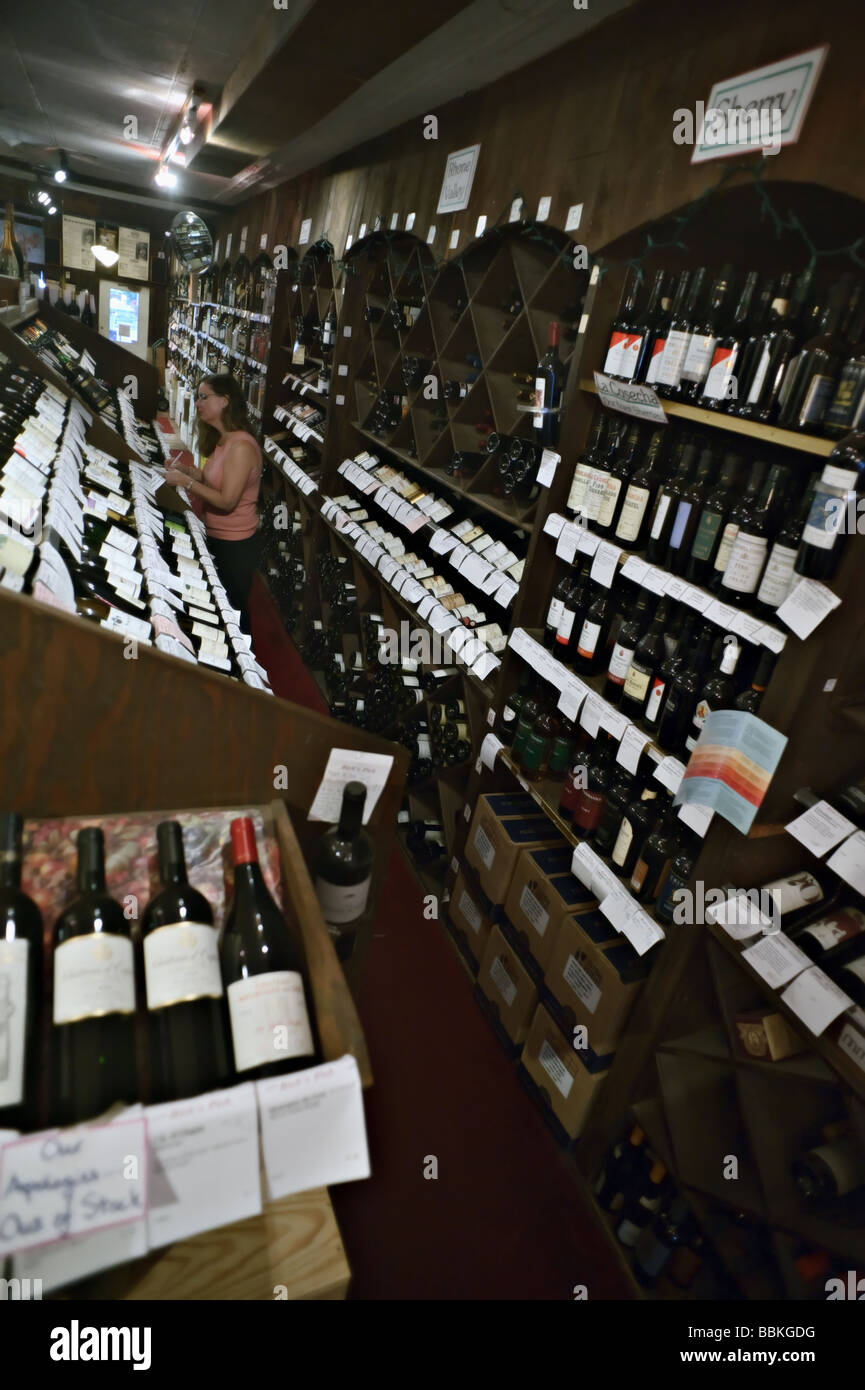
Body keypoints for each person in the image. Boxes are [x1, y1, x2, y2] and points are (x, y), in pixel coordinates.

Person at [160, 374, 262, 634]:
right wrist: (190, 472)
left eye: (204, 397)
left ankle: (243, 669)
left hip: (235, 545)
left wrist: (185, 482)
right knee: (219, 606)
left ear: (225, 401)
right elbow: (215, 481)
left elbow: (227, 501)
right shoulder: (223, 439)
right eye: (197, 397)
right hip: (216, 534)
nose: (197, 403)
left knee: (233, 611)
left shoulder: (241, 447)